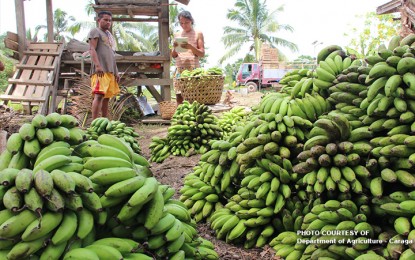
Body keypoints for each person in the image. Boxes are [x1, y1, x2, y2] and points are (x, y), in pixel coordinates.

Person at [88, 10, 120, 120]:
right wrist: (97, 65)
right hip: (101, 70)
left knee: (107, 97)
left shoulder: (109, 36)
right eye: (105, 20)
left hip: (110, 71)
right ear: (98, 20)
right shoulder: (95, 31)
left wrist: (116, 72)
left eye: (110, 21)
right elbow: (92, 49)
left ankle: (105, 121)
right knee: (99, 95)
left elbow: (111, 55)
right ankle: (95, 122)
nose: (108, 22)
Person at [171, 11, 205, 105]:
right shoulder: (177, 35)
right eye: (181, 23)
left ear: (191, 21)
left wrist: (190, 47)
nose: (184, 25)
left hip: (193, 70)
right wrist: (174, 48)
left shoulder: (198, 33)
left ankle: (194, 117)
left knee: (194, 96)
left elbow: (202, 53)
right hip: (180, 69)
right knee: (179, 96)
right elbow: (174, 55)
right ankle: (180, 116)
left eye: (186, 22)